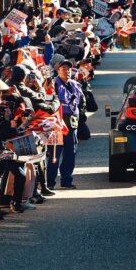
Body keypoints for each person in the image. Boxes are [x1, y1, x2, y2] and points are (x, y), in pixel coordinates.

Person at [48, 62, 83, 190]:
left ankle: (66, 180)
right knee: (54, 155)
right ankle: (50, 182)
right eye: (63, 69)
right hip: (57, 125)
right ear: (58, 70)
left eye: (68, 69)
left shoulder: (74, 84)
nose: (67, 71)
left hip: (72, 123)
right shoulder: (52, 84)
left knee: (70, 154)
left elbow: (80, 102)